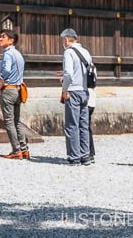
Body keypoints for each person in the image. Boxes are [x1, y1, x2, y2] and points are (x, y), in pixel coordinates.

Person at [59, 28, 93, 165]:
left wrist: (64, 89)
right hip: (84, 91)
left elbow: (68, 73)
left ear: (66, 39)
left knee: (72, 124)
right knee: (83, 124)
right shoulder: (86, 52)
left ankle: (74, 156)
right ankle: (85, 155)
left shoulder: (69, 52)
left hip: (72, 91)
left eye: (63, 40)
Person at [0, 28, 29, 159]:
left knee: (9, 121)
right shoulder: (18, 54)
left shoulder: (8, 54)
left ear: (11, 40)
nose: (0, 39)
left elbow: (5, 69)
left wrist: (2, 80)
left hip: (9, 89)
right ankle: (24, 149)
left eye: (3, 37)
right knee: (17, 121)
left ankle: (16, 150)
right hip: (18, 89)